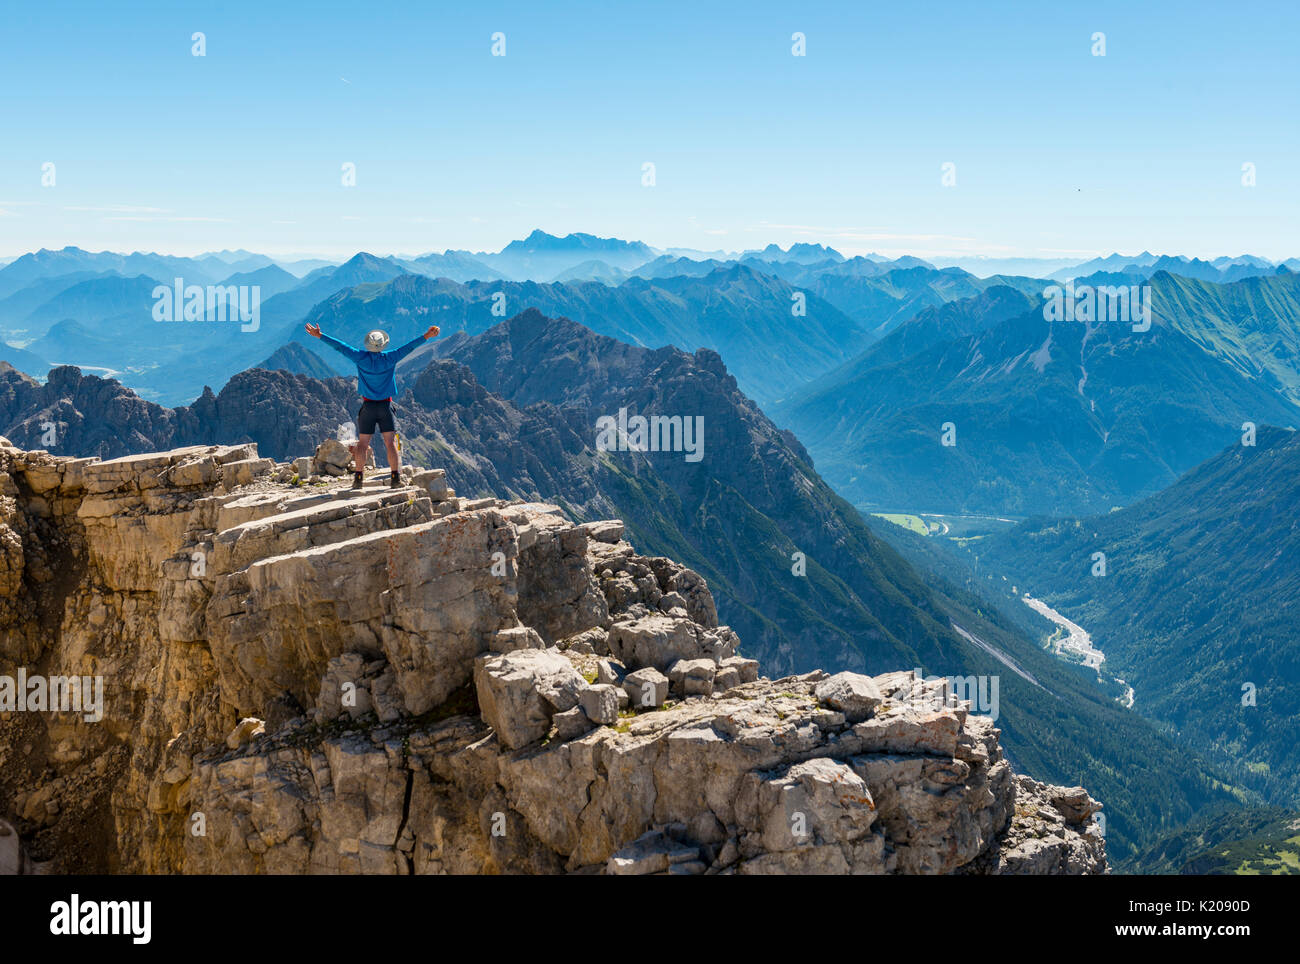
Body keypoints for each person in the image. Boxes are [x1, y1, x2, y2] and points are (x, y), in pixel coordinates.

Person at [305, 322, 440, 489]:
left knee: (362, 444)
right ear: (383, 345)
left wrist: (320, 335)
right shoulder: (391, 357)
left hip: (368, 407)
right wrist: (427, 335)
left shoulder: (360, 357)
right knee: (390, 443)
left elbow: (340, 347)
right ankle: (395, 478)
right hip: (385, 406)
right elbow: (409, 347)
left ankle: (358, 479)